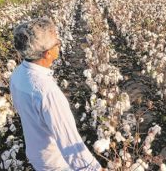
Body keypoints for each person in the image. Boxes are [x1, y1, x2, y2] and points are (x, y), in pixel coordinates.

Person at [10, 17, 102, 171]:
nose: (59, 44)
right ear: (47, 53)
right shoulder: (47, 92)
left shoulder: (18, 74)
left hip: (37, 154)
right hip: (57, 163)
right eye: (56, 43)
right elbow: (68, 141)